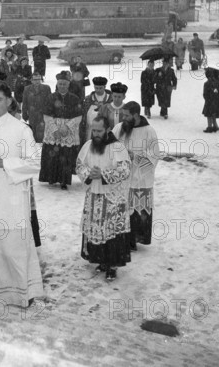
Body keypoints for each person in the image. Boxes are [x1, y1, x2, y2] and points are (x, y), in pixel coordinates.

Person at [0, 81, 44, 306]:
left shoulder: (21, 129)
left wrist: (7, 164)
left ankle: (19, 293)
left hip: (11, 198)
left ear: (9, 101)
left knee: (12, 249)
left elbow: (35, 163)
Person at [77, 116, 131, 281]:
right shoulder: (88, 145)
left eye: (99, 130)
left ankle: (112, 265)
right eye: (94, 130)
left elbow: (125, 169)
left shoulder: (117, 148)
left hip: (113, 198)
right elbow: (80, 165)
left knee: (112, 233)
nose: (96, 134)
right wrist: (89, 174)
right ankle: (101, 260)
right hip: (94, 195)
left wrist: (103, 174)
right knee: (96, 230)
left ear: (108, 129)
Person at [112, 102, 159, 251]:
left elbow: (154, 155)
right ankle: (121, 238)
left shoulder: (149, 131)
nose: (123, 118)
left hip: (140, 178)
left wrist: (135, 156)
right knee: (121, 208)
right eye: (122, 115)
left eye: (127, 115)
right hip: (121, 177)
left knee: (137, 211)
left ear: (136, 115)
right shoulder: (119, 128)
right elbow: (110, 147)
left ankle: (135, 239)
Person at [39, 72, 83, 190]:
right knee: (52, 155)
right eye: (60, 84)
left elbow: (78, 117)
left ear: (68, 85)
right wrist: (54, 129)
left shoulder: (74, 98)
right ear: (57, 85)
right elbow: (46, 115)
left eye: (64, 84)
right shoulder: (50, 97)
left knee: (65, 156)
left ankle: (64, 180)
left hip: (68, 130)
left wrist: (66, 127)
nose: (62, 86)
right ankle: (51, 178)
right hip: (52, 131)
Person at [22, 72, 52, 143]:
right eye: (35, 80)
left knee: (41, 135)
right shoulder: (27, 89)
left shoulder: (46, 88)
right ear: (31, 80)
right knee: (33, 134)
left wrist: (50, 113)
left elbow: (50, 102)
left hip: (43, 115)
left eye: (38, 79)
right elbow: (25, 103)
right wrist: (24, 114)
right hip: (32, 115)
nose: (37, 81)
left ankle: (41, 148)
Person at [80, 76, 112, 142]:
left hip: (105, 130)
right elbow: (84, 115)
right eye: (96, 88)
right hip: (90, 130)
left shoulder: (110, 99)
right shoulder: (88, 99)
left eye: (100, 88)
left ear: (105, 87)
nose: (98, 90)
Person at [202, 69, 219, 133]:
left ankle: (209, 127)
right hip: (217, 101)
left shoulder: (206, 83)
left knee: (209, 114)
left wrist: (207, 99)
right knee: (214, 113)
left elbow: (205, 94)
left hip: (209, 101)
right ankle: (215, 126)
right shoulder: (218, 82)